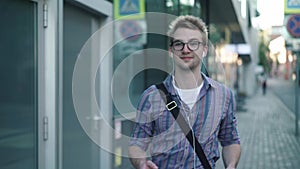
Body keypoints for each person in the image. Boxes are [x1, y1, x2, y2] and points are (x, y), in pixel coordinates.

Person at [128, 15, 241, 169]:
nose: (185, 49)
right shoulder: (151, 96)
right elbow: (137, 143)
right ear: (170, 50)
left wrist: (231, 165)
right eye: (179, 44)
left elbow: (230, 141)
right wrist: (141, 163)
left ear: (204, 50)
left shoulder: (223, 95)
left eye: (193, 43)